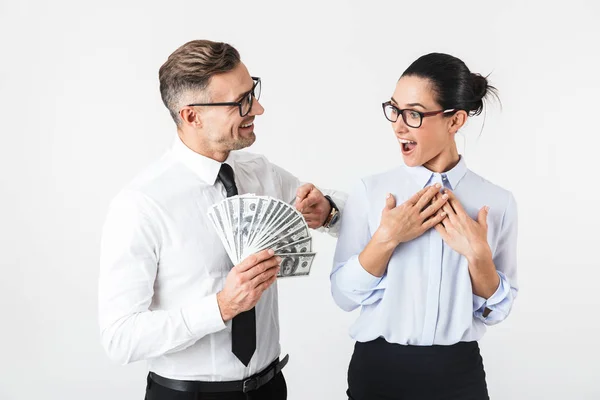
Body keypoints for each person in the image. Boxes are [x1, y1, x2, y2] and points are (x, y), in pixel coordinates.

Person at [98, 39, 345, 400]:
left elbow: (337, 210)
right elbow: (119, 338)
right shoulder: (141, 205)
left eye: (253, 92)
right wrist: (220, 307)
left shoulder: (260, 173)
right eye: (240, 102)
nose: (257, 108)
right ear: (191, 115)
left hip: (270, 388)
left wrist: (328, 211)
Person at [330, 53, 518, 400]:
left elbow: (496, 312)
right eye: (394, 109)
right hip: (378, 370)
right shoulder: (370, 191)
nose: (398, 125)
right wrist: (386, 239)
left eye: (414, 114)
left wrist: (479, 257)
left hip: (458, 374)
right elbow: (342, 296)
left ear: (455, 120)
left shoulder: (497, 201)